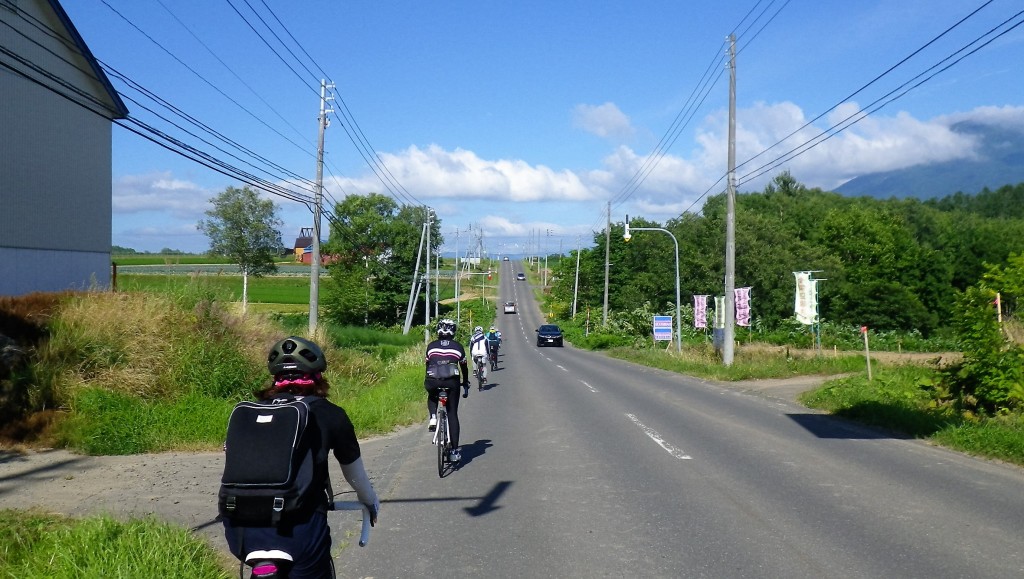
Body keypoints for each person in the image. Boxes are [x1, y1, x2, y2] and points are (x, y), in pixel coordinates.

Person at [223, 336, 380, 579]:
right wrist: (369, 501)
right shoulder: (330, 414)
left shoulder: (249, 413)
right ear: (318, 376)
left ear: (275, 378)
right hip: (301, 529)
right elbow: (354, 473)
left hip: (241, 529)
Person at [424, 318, 470, 462]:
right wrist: (465, 382)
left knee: (432, 395)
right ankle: (455, 452)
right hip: (452, 382)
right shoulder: (458, 347)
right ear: (453, 332)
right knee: (452, 414)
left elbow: (427, 365)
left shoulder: (431, 346)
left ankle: (433, 417)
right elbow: (464, 368)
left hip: (432, 380)